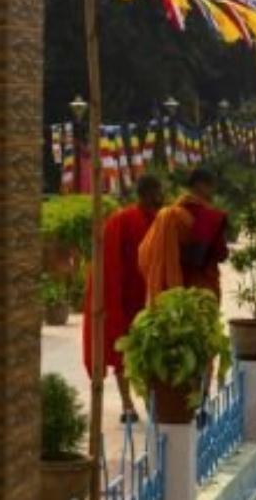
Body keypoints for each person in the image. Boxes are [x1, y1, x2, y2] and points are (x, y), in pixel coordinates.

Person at [82, 175, 164, 421]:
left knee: (153, 352)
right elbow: (108, 262)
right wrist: (109, 301)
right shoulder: (122, 220)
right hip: (126, 298)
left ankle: (152, 402)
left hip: (153, 297)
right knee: (123, 354)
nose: (161, 197)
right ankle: (128, 404)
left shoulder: (163, 220)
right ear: (147, 194)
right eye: (158, 192)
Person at [139, 168, 230, 303]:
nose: (213, 191)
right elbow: (217, 254)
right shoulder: (208, 216)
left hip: (169, 289)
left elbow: (144, 253)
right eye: (211, 186)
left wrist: (174, 259)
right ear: (200, 185)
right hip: (200, 288)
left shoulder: (170, 214)